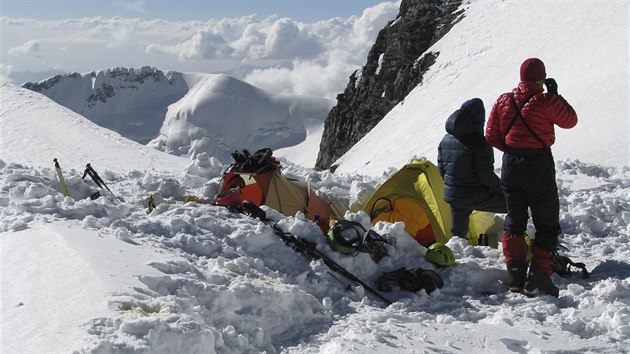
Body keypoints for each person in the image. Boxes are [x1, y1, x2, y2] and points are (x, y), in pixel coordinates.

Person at [485, 58, 577, 297]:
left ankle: (515, 274)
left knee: (515, 219)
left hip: (511, 165)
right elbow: (570, 120)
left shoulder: (504, 100)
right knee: (546, 222)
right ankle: (538, 277)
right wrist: (556, 95)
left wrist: (512, 149)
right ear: (541, 78)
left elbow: (491, 135)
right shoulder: (546, 101)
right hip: (539, 164)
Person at [438, 98, 507, 241]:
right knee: (515, 206)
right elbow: (486, 176)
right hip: (474, 195)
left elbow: (441, 170)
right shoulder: (480, 144)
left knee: (457, 235)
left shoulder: (446, 139)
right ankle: (516, 240)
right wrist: (505, 192)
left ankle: (457, 256)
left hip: (454, 196)